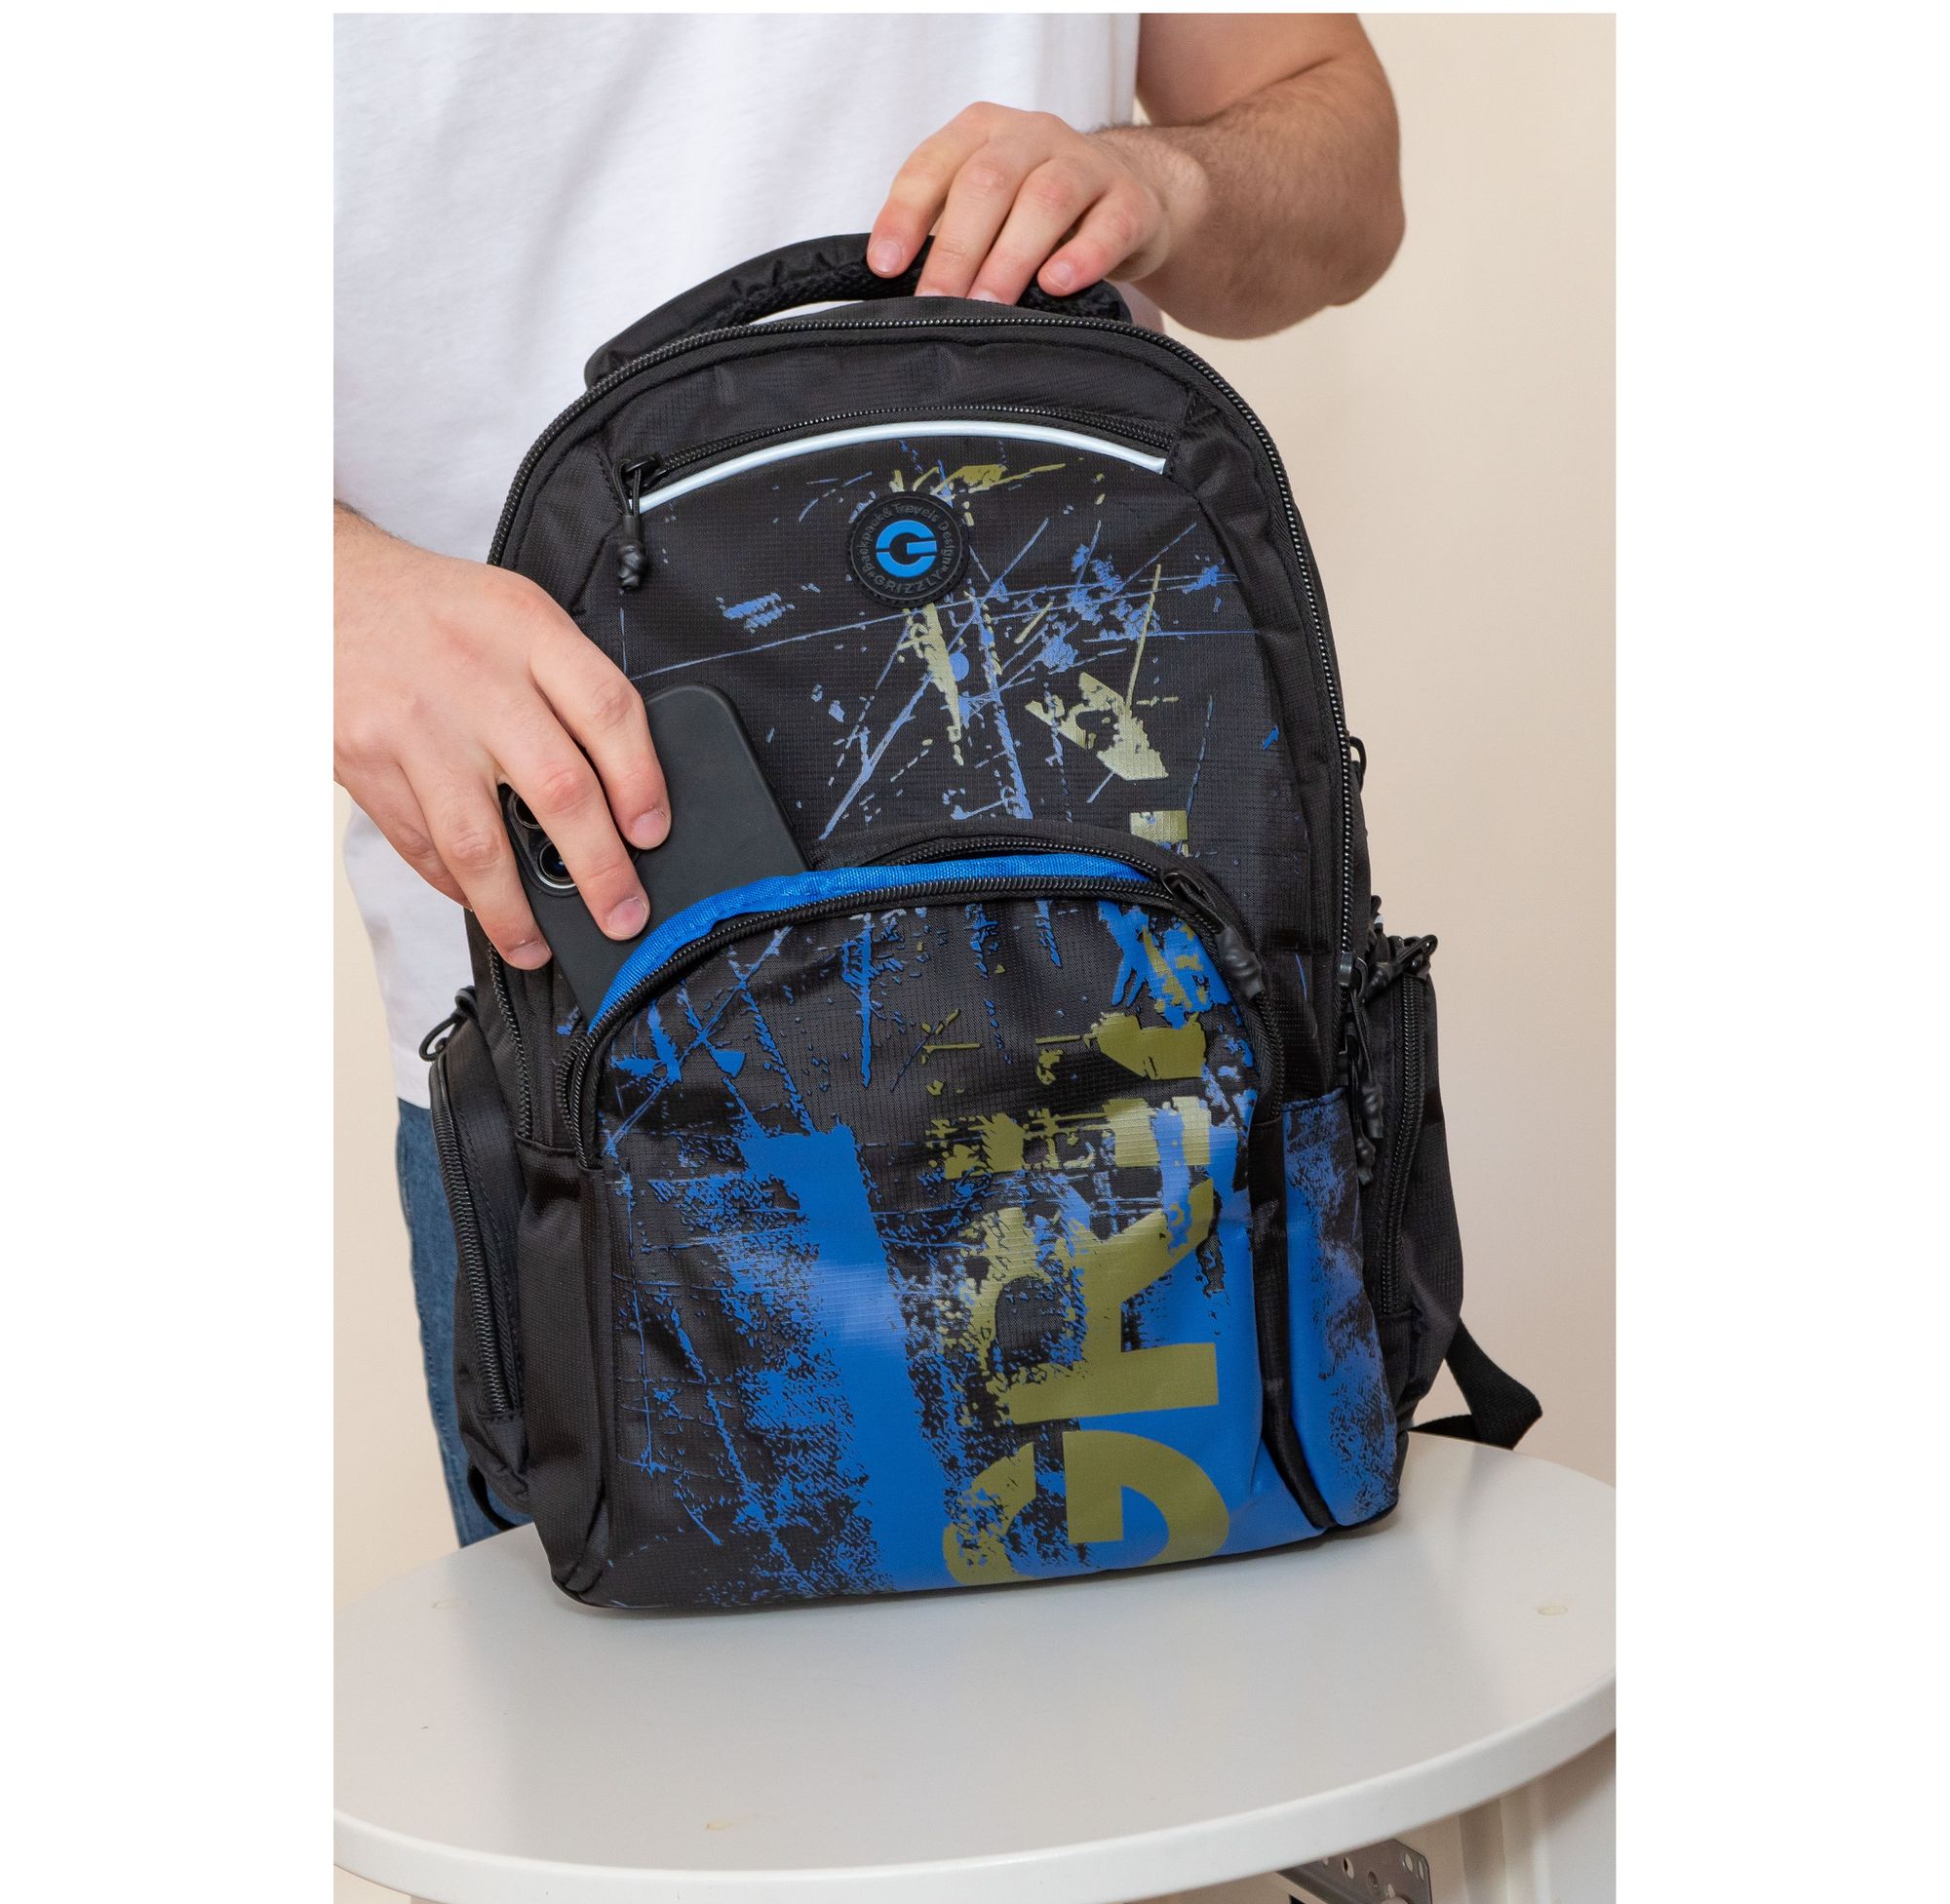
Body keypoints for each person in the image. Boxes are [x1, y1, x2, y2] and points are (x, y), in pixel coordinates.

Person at [334, 11, 1404, 1542]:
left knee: (1261, 1673)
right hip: (605, 1091)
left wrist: (1167, 181)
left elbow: (1343, 163)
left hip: (1148, 1068)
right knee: (655, 1691)